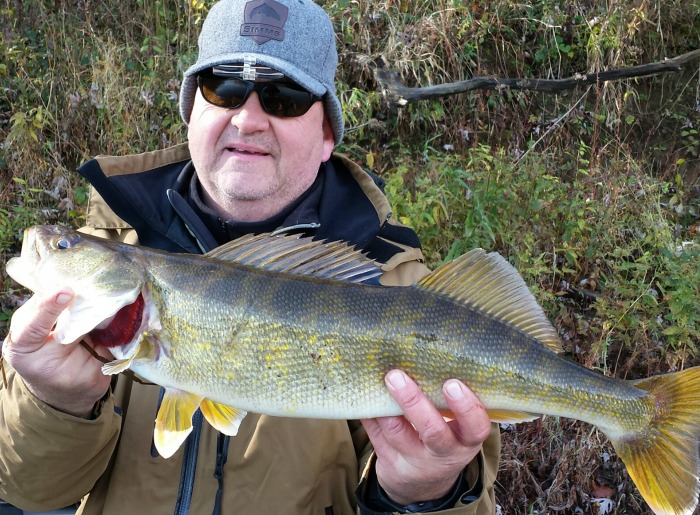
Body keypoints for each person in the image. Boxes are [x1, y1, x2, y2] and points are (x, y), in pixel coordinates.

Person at [0, 0, 500, 513]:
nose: (248, 117)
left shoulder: (400, 288)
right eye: (224, 87)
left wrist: (426, 494)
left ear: (327, 133)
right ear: (193, 110)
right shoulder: (97, 278)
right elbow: (28, 493)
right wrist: (52, 403)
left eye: (283, 96)